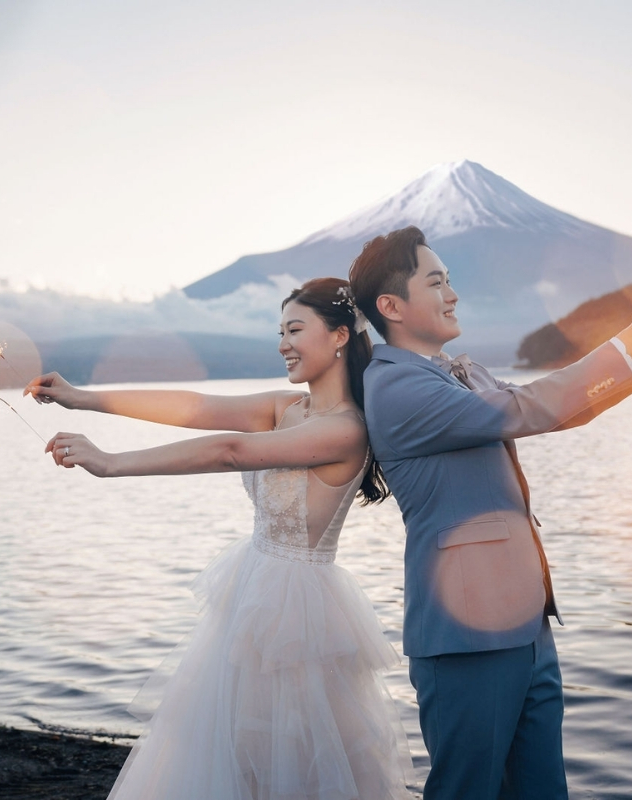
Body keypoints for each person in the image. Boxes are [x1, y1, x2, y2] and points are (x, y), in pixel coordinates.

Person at [23, 277, 412, 800]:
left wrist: (112, 463)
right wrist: (84, 398)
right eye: (280, 331)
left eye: (295, 329)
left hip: (298, 617)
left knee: (289, 762)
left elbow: (229, 450)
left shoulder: (346, 430)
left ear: (340, 336)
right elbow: (195, 408)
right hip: (252, 593)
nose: (283, 344)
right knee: (232, 757)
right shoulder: (287, 408)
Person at [348, 226, 632, 799]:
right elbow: (526, 408)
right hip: (465, 638)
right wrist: (628, 339)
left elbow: (551, 410)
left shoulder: (460, 373)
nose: (453, 293)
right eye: (437, 282)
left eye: (450, 280)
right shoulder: (396, 387)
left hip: (528, 626)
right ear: (391, 306)